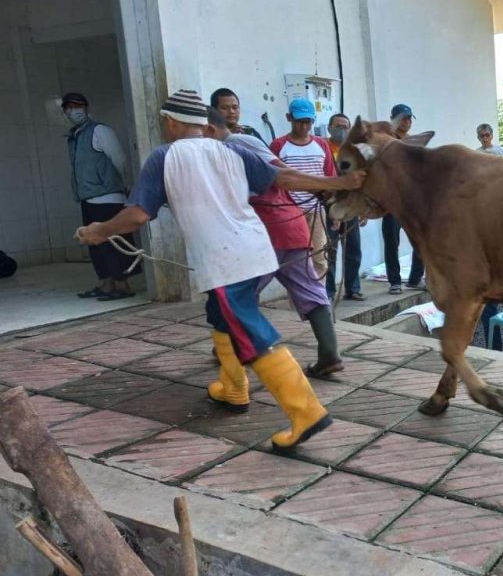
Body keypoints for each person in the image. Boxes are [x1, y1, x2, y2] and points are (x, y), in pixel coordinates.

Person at [75, 89, 365, 449]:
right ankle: (233, 388)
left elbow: (138, 214)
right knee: (219, 314)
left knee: (251, 330)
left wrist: (99, 232)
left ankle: (306, 413)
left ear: (169, 122)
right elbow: (284, 179)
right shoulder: (234, 150)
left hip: (225, 262)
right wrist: (338, 183)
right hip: (255, 247)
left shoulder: (164, 157)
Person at [205, 108, 344, 377]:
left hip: (266, 228)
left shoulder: (238, 142)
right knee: (310, 289)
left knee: (235, 295)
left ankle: (232, 350)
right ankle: (330, 353)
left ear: (209, 128)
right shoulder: (227, 148)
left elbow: (283, 172)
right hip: (291, 225)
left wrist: (323, 187)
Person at [63, 92, 138, 301]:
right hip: (88, 197)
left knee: (114, 242)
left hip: (108, 197)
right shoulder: (74, 136)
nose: (73, 111)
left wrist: (124, 186)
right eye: (68, 108)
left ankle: (123, 285)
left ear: (86, 108)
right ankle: (106, 284)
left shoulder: (99, 130)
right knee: (95, 242)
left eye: (77, 106)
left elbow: (119, 159)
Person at [271, 98, 335, 280]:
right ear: (289, 118)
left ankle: (320, 300)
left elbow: (329, 178)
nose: (305, 126)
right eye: (300, 122)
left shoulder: (322, 145)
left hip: (317, 210)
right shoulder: (279, 145)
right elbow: (273, 179)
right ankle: (300, 303)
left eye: (308, 122)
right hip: (290, 211)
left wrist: (333, 211)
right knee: (295, 260)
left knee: (320, 257)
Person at [382, 103, 425, 294]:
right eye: (403, 118)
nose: (407, 122)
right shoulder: (385, 141)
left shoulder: (414, 141)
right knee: (392, 241)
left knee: (420, 239)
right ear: (394, 119)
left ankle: (415, 278)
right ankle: (394, 281)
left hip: (412, 199)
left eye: (409, 118)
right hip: (392, 198)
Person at [327, 112, 365, 300]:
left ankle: (353, 288)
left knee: (353, 249)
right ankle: (329, 291)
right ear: (329, 128)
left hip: (351, 205)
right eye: (338, 126)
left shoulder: (354, 151)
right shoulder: (323, 147)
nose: (342, 130)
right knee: (330, 250)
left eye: (345, 127)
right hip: (330, 204)